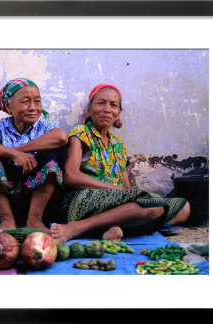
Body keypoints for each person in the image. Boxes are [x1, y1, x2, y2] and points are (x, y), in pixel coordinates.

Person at [50, 83, 190, 243]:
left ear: (118, 114)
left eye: (113, 105)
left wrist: (127, 196)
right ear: (89, 110)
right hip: (82, 200)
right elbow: (70, 176)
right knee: (153, 207)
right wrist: (116, 190)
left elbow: (127, 189)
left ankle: (114, 227)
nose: (107, 109)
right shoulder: (81, 134)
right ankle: (77, 228)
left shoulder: (118, 145)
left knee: (183, 208)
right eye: (101, 103)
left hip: (116, 202)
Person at [0, 78, 67, 233]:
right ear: (9, 106)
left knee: (56, 153)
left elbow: (61, 137)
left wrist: (20, 151)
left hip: (38, 198)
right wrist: (13, 154)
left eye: (37, 101)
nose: (33, 107)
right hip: (6, 196)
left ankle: (34, 219)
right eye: (25, 101)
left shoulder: (44, 126)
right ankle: (7, 220)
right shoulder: (0, 127)